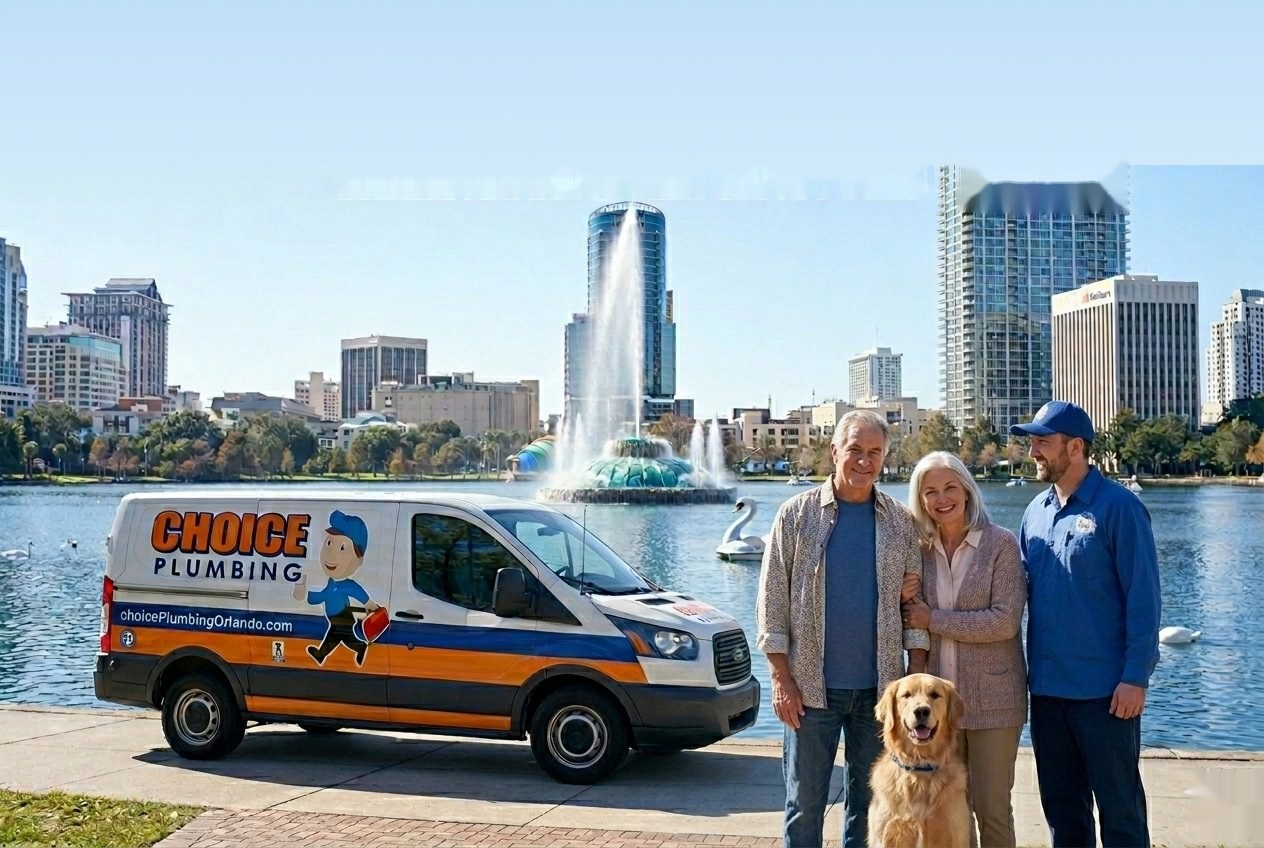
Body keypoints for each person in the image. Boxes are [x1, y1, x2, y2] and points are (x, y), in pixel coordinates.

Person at [756, 409, 929, 848]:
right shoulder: (796, 516)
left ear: (885, 457)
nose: (864, 461)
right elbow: (772, 604)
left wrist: (914, 682)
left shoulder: (900, 522)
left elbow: (915, 611)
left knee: (872, 808)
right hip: (810, 692)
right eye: (854, 449)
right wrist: (781, 680)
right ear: (834, 451)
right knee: (804, 806)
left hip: (880, 694)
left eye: (874, 452)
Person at [1010, 401, 1161, 848]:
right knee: (1064, 815)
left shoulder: (1120, 508)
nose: (1033, 451)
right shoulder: (1034, 511)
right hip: (1048, 693)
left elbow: (1144, 599)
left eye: (1043, 441)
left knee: (1120, 816)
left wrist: (1135, 677)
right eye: (1031, 441)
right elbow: (1014, 593)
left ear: (1075, 447)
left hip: (1106, 695)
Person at [899, 451, 1027, 848]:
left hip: (994, 702)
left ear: (968, 491)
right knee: (950, 814)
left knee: (991, 808)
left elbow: (1004, 622)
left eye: (950, 487)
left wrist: (931, 618)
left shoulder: (1001, 545)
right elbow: (907, 617)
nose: (941, 499)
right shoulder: (917, 551)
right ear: (920, 500)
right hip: (936, 711)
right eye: (930, 491)